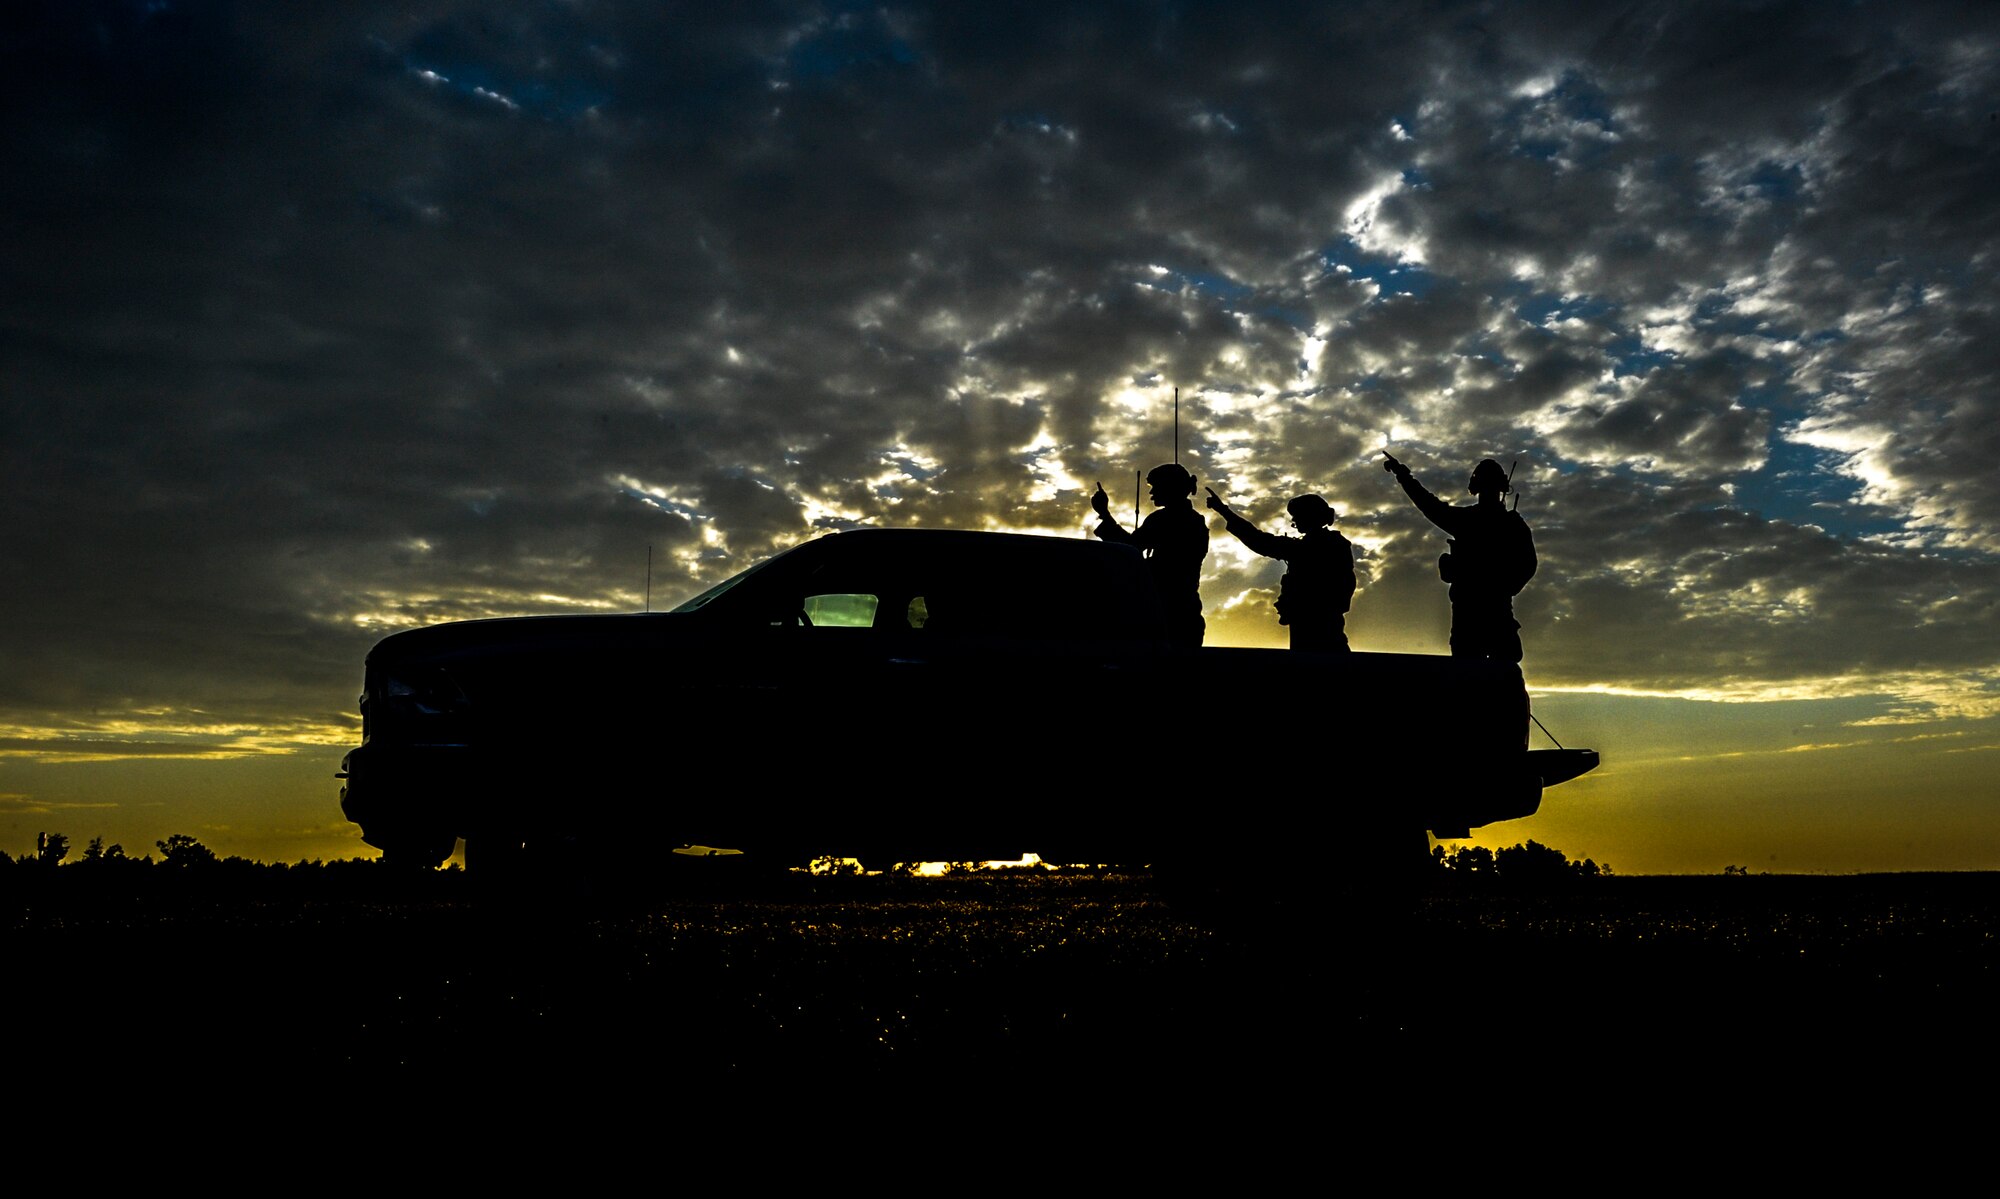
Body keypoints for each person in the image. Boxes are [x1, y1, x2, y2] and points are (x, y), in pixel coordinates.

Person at [1382, 453, 1536, 662]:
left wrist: (1404, 476)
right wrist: (1404, 476)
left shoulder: (1475, 522)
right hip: (1482, 615)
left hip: (1481, 616)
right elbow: (1528, 565)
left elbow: (1429, 505)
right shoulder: (1505, 524)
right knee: (1489, 677)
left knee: (1481, 677)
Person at [1204, 487, 1355, 651]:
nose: (1295, 523)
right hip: (1318, 624)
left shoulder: (1310, 548)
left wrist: (1224, 511)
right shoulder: (1334, 545)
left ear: (1308, 516)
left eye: (1297, 517)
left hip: (1315, 628)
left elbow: (1259, 540)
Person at [1092, 463, 1209, 647]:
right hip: (1186, 615)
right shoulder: (1195, 521)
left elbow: (1130, 549)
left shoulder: (1166, 520)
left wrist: (1105, 514)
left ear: (1169, 487)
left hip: (1165, 613)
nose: (1152, 492)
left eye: (1156, 485)